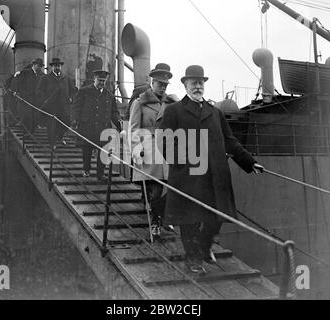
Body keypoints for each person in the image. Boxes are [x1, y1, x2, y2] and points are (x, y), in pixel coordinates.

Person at [158, 65, 264, 273]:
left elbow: (229, 140)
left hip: (215, 175)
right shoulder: (174, 111)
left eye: (200, 83)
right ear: (185, 85)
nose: (197, 86)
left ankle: (204, 247)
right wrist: (183, 162)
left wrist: (249, 162)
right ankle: (193, 260)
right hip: (188, 175)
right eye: (193, 83)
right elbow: (165, 142)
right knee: (189, 221)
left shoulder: (215, 112)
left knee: (215, 218)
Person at [129, 63, 178, 238]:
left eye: (165, 85)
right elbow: (134, 129)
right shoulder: (140, 102)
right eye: (160, 83)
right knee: (156, 189)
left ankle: (160, 215)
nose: (163, 87)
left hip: (168, 149)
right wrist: (137, 148)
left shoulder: (171, 103)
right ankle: (156, 222)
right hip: (149, 150)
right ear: (152, 82)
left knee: (173, 187)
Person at [71, 69, 121, 179]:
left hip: (103, 128)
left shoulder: (109, 96)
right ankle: (86, 169)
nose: (101, 83)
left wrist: (119, 124)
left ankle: (100, 173)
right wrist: (75, 119)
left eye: (103, 81)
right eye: (99, 80)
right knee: (87, 150)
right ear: (94, 79)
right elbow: (76, 106)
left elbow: (114, 112)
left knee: (103, 151)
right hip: (87, 126)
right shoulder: (84, 91)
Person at [37, 57, 77, 146]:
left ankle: (60, 136)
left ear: (61, 67)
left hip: (64, 106)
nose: (57, 67)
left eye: (58, 66)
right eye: (55, 66)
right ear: (52, 67)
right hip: (51, 106)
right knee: (51, 125)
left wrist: (71, 98)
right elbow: (40, 91)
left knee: (65, 122)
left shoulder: (66, 78)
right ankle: (52, 144)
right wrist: (45, 100)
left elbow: (73, 91)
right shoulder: (45, 78)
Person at [15, 58, 45, 133]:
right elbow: (19, 83)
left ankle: (32, 131)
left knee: (34, 115)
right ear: (34, 65)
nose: (40, 68)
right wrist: (17, 91)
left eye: (41, 66)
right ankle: (27, 132)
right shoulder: (25, 72)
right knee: (26, 115)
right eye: (39, 66)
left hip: (35, 98)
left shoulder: (40, 74)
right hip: (25, 97)